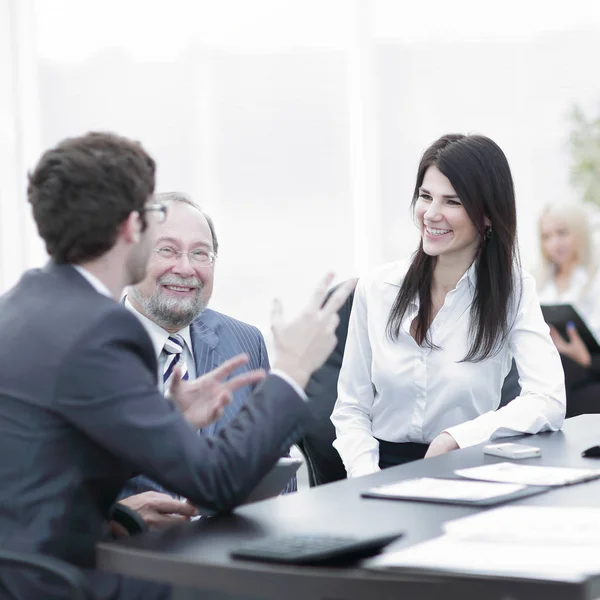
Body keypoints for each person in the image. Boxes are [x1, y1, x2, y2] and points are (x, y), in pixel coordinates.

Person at [0, 131, 352, 600]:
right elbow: (217, 482)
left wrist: (167, 417)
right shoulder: (101, 329)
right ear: (132, 228)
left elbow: (51, 454)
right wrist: (293, 370)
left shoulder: (20, 304)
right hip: (69, 580)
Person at [331, 133, 566, 478]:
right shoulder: (377, 288)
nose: (431, 214)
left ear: (487, 216)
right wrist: (366, 477)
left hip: (466, 467)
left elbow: (548, 399)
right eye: (426, 196)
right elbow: (351, 408)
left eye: (453, 202)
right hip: (379, 471)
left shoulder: (513, 290)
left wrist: (456, 438)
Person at [118, 193, 294, 529]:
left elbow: (277, 466)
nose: (185, 268)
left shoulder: (244, 341)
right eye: (167, 250)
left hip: (233, 558)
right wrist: (117, 519)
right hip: (127, 563)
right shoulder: (84, 347)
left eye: (200, 253)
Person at [537, 201, 600, 416]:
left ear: (580, 233)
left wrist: (587, 359)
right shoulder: (539, 282)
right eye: (547, 236)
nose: (554, 243)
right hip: (546, 370)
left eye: (562, 233)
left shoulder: (594, 280)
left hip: (587, 370)